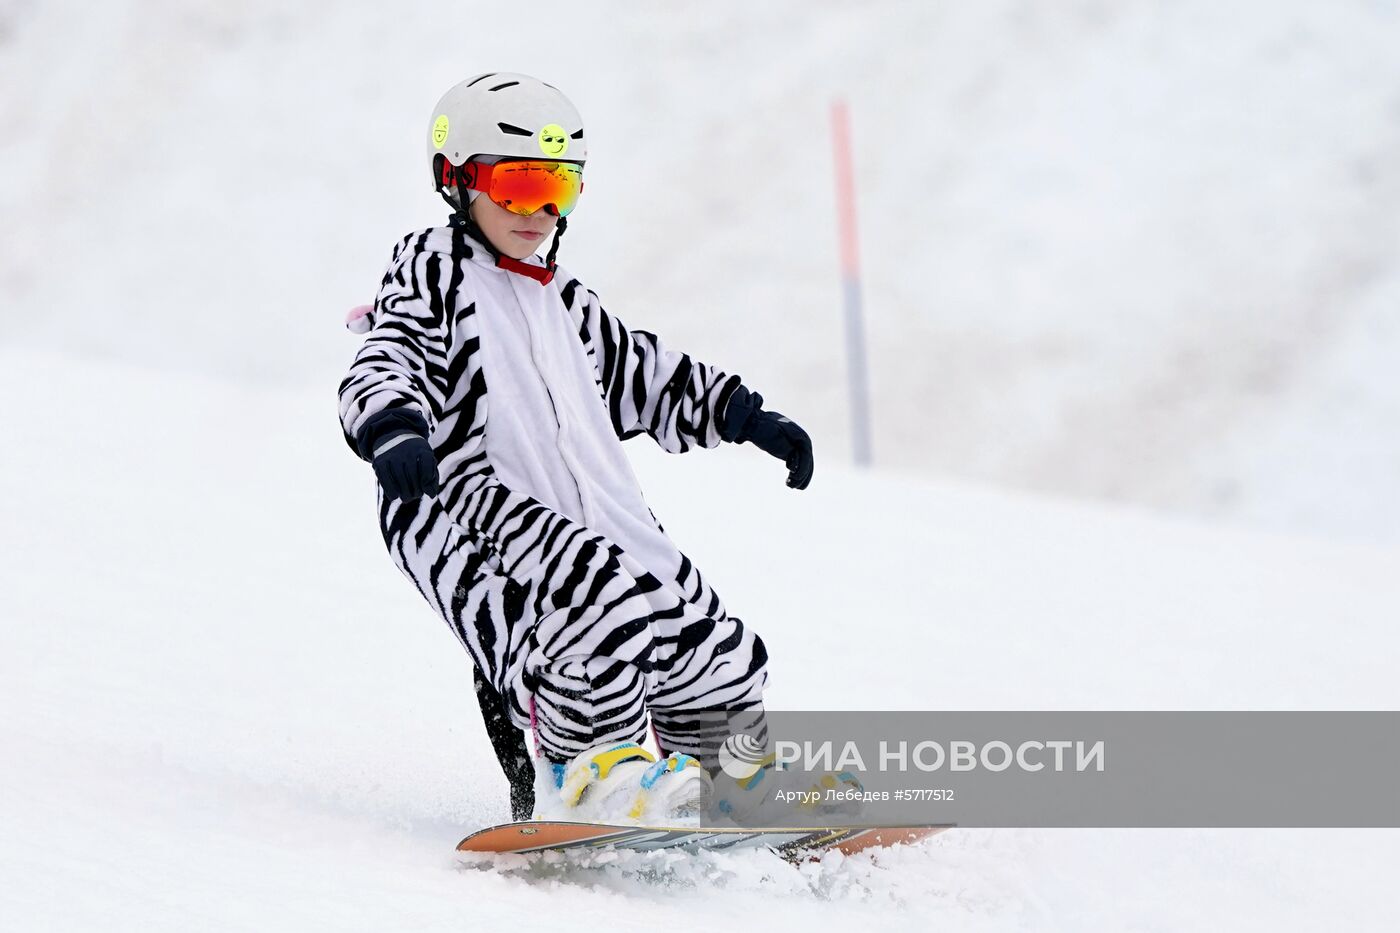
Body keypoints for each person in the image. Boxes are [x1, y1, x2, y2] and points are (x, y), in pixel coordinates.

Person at [337, 73, 814, 824]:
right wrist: (393, 427)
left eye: (561, 186)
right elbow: (387, 353)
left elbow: (647, 372)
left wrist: (743, 414)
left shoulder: (564, 302)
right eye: (519, 185)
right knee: (594, 602)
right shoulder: (435, 274)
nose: (543, 211)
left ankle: (732, 775)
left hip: (594, 510)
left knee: (699, 628)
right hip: (466, 502)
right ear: (456, 180)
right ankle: (593, 775)